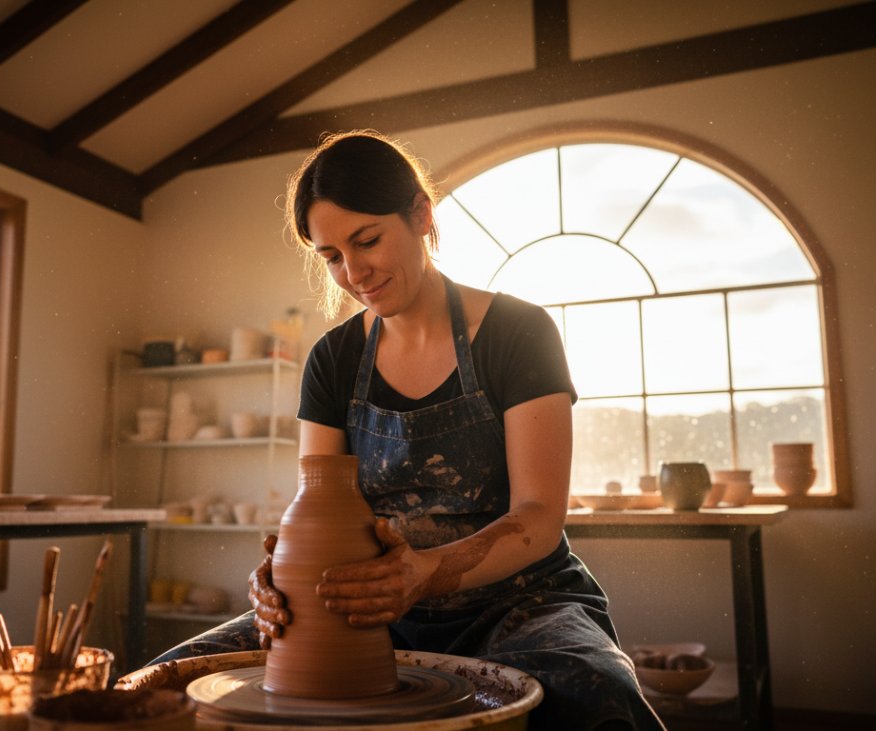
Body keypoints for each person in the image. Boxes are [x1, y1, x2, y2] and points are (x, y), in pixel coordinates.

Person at [150, 130, 664, 730]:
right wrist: (276, 580)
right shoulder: (333, 360)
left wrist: (426, 571)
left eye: (367, 240)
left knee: (595, 692)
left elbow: (539, 517)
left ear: (421, 213)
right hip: (372, 605)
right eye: (332, 256)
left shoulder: (519, 332)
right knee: (169, 685)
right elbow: (316, 504)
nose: (354, 272)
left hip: (520, 600)